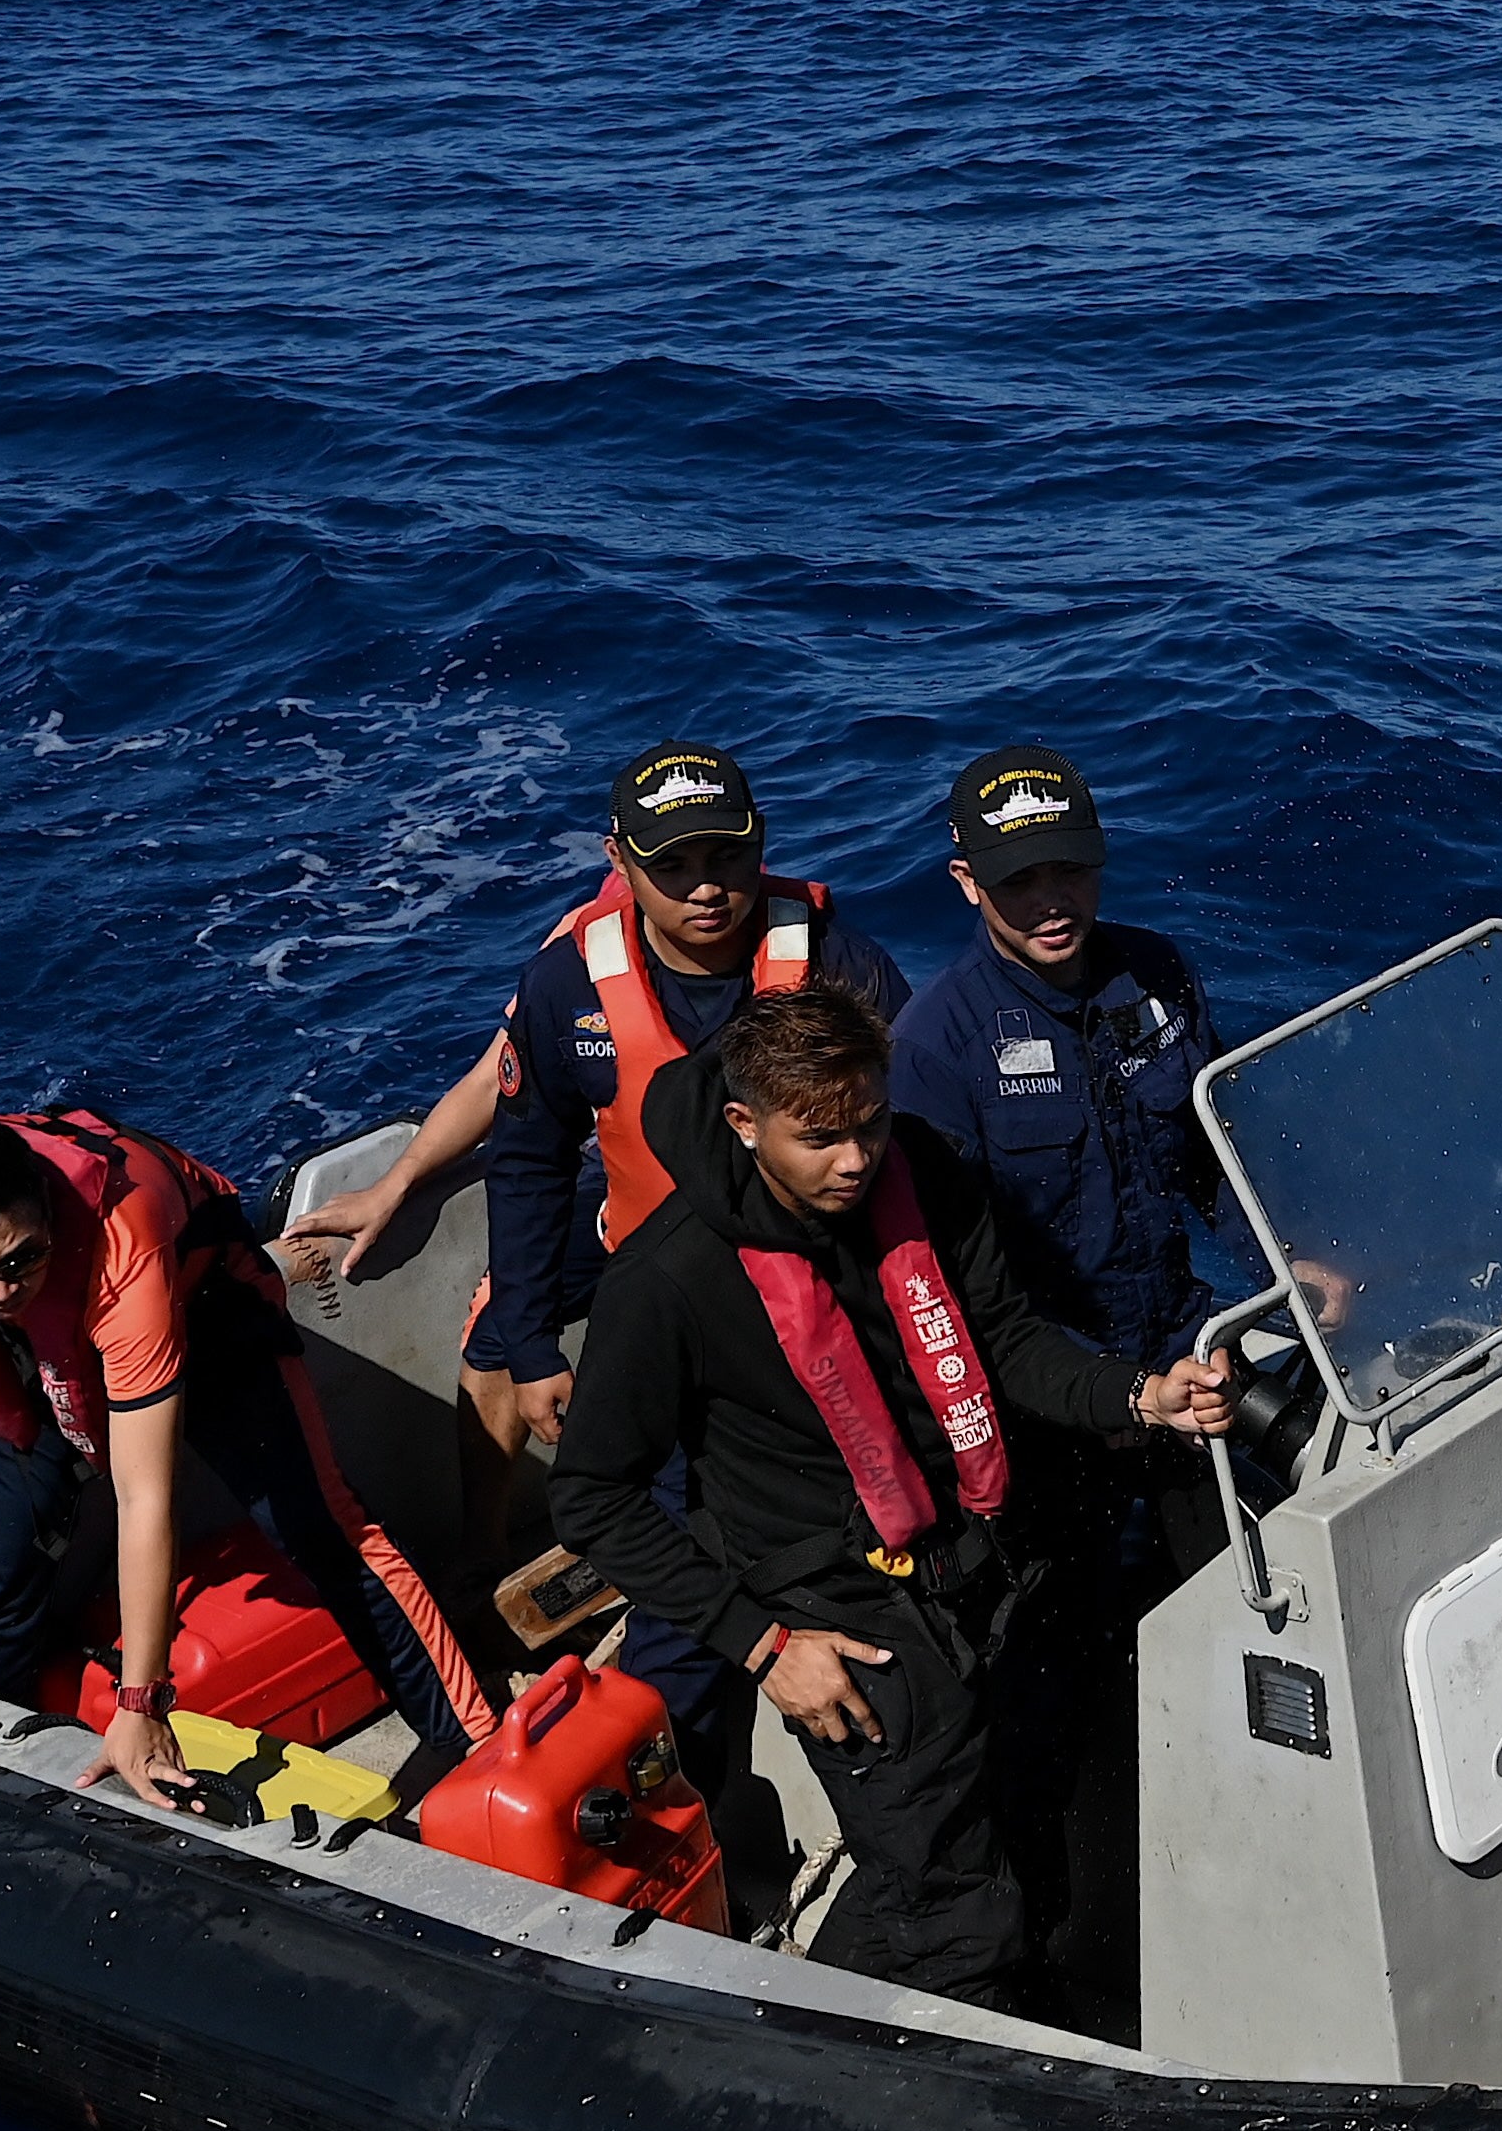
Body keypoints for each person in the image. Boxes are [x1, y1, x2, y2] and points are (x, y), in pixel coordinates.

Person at [548, 984, 1234, 2012]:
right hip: (840, 1625)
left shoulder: (926, 1172)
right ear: (744, 1125)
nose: (856, 1160)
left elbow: (1005, 1342)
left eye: (868, 1123)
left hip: (984, 1556)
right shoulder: (669, 1280)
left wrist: (1140, 1397)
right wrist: (764, 1648)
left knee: (1036, 1825)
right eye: (820, 1139)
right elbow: (592, 1499)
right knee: (955, 1913)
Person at [469, 741, 907, 1825]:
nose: (707, 886)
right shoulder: (567, 983)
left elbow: (916, 1155)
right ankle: (707, 1831)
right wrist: (529, 1347)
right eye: (674, 866)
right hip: (666, 1339)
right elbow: (526, 1167)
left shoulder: (842, 966)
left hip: (826, 1336)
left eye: (727, 856)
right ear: (621, 861)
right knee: (680, 1627)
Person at [884, 744, 1236, 2034]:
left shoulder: (1159, 975)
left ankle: (1244, 1877)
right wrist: (1114, 1396)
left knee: (1233, 1632)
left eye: (1070, 869)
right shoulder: (936, 1048)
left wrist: (1297, 1249)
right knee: (1070, 1701)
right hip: (1048, 1424)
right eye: (1021, 877)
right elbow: (958, 1307)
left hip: (1192, 1367)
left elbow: (1218, 1150)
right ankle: (1092, 1979)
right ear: (965, 879)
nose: (1052, 900)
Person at [0, 1109, 496, 1800]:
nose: (0, 1288)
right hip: (37, 1345)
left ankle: (467, 1736)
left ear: (44, 1207)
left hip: (199, 1303)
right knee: (2, 1566)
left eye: (19, 1257)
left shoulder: (127, 1253)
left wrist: (141, 1704)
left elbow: (145, 1497)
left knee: (320, 1522)